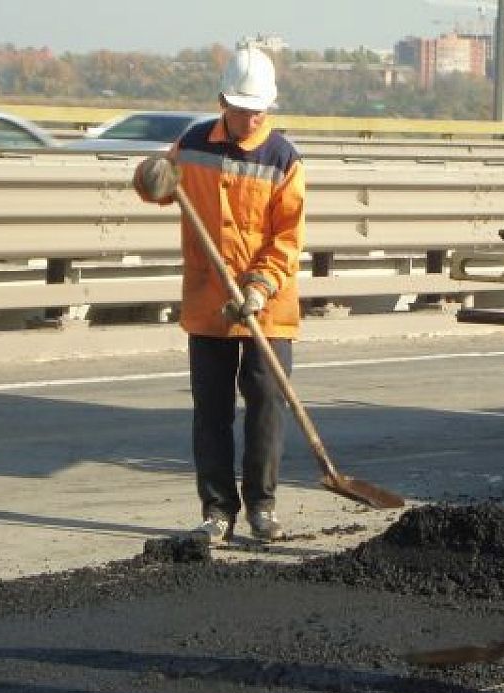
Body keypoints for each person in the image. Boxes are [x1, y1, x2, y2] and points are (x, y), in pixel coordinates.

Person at [133, 43, 306, 543]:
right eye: (242, 109)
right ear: (222, 102)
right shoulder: (191, 145)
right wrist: (149, 178)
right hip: (208, 301)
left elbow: (287, 238)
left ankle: (263, 508)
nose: (251, 119)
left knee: (267, 404)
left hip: (265, 307)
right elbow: (158, 188)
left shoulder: (284, 160)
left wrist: (258, 287)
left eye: (259, 111)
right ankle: (216, 511)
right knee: (210, 409)